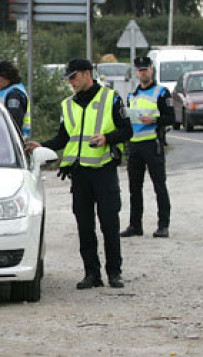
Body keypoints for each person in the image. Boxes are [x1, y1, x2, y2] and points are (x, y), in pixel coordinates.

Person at [25, 58, 133, 289]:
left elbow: (127, 130)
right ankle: (91, 274)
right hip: (80, 174)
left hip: (104, 170)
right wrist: (42, 146)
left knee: (109, 224)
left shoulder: (110, 98)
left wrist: (107, 138)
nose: (70, 82)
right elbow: (64, 138)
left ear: (87, 74)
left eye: (73, 77)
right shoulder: (68, 105)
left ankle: (114, 273)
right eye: (68, 78)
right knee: (84, 226)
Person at [120, 56, 174, 239]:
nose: (143, 72)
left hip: (153, 144)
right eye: (140, 70)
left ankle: (163, 225)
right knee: (135, 189)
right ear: (136, 72)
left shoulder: (161, 93)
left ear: (152, 70)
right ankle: (135, 225)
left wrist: (155, 120)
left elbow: (171, 118)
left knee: (159, 186)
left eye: (146, 69)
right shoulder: (132, 95)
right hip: (134, 145)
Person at [0, 60, 32, 141]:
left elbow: (14, 121)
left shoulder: (14, 94)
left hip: (12, 141)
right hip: (8, 140)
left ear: (6, 75)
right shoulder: (8, 92)